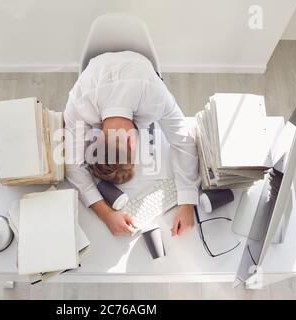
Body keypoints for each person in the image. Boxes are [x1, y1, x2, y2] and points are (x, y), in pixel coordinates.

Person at [64, 51, 200, 236]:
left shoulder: (155, 97)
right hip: (98, 74)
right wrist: (107, 215)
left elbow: (184, 140)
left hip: (140, 70)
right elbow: (73, 167)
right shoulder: (78, 106)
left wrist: (188, 204)